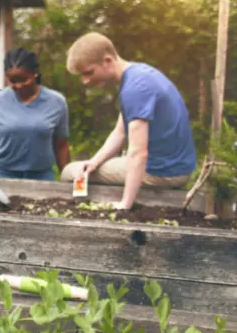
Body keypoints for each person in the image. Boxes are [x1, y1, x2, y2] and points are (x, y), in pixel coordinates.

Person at [60, 32, 196, 209]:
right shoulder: (138, 75)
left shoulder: (135, 89)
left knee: (69, 171)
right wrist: (94, 162)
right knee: (84, 168)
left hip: (164, 171)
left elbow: (138, 152)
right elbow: (120, 132)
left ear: (107, 60)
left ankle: (88, 207)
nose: (85, 81)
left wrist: (125, 204)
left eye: (88, 73)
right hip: (175, 166)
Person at [0, 48, 71, 181]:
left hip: (41, 176)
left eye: (24, 80)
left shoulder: (56, 102)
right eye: (12, 81)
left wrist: (67, 178)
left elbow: (61, 144)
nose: (18, 86)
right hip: (1, 174)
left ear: (35, 73)